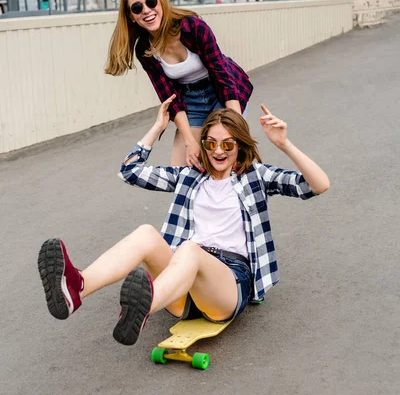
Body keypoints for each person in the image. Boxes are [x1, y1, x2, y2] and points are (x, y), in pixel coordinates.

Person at [37, 97, 330, 347]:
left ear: (239, 146)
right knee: (146, 234)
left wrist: (284, 144)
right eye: (211, 143)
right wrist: (158, 128)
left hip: (226, 286)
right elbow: (130, 171)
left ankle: (143, 308)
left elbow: (318, 185)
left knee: (190, 249)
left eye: (227, 145)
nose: (218, 151)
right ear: (202, 144)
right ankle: (77, 288)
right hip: (181, 287)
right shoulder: (189, 176)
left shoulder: (255, 176)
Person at [105, 0, 253, 170]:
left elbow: (223, 78)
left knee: (228, 158)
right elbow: (169, 97)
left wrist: (237, 130)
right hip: (190, 100)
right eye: (137, 8)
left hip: (221, 91)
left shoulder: (194, 27)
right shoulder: (144, 48)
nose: (147, 11)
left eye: (151, 2)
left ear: (161, 1)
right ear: (132, 16)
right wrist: (190, 142)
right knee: (181, 168)